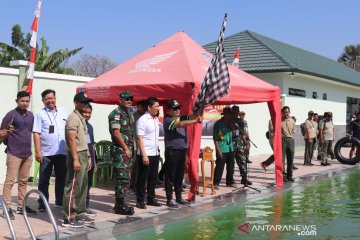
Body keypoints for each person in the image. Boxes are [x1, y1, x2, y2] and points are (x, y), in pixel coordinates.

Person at [1, 91, 36, 220]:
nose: (25, 103)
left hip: (27, 153)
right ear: (17, 101)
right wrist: (8, 142)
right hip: (14, 152)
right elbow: (2, 132)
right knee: (10, 181)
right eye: (22, 101)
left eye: (27, 101)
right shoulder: (11, 115)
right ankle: (7, 208)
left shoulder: (31, 116)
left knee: (23, 181)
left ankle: (21, 207)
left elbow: (34, 132)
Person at [33, 89, 68, 211]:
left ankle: (59, 202)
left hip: (62, 152)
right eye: (47, 99)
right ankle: (43, 204)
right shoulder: (40, 114)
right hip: (46, 152)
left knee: (61, 178)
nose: (50, 101)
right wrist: (38, 151)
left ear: (55, 98)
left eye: (51, 98)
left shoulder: (63, 112)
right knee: (43, 180)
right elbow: (36, 133)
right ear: (43, 101)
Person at [62, 92, 93, 228]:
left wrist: (88, 156)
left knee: (82, 186)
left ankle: (80, 213)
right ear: (76, 103)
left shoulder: (81, 119)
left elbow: (83, 140)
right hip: (76, 154)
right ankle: (68, 218)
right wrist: (75, 159)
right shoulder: (73, 118)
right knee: (73, 186)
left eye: (86, 102)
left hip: (83, 154)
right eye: (83, 102)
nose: (85, 104)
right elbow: (71, 139)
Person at [163, 99, 202, 208]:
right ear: (169, 110)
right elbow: (180, 124)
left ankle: (179, 197)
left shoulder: (180, 117)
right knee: (170, 176)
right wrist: (195, 121)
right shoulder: (168, 120)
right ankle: (169, 199)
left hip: (181, 151)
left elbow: (193, 115)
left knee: (179, 175)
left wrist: (202, 106)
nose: (178, 110)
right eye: (175, 108)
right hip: (172, 151)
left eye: (179, 108)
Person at [108, 91, 135, 215]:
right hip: (120, 151)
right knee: (121, 178)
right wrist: (126, 148)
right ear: (120, 100)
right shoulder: (116, 114)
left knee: (126, 178)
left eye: (131, 99)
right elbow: (116, 133)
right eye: (127, 99)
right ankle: (119, 205)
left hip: (127, 150)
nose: (129, 101)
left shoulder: (128, 114)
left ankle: (121, 203)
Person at [136, 97, 162, 209]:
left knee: (153, 178)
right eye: (156, 106)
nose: (158, 108)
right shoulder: (142, 120)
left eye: (158, 106)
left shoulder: (155, 119)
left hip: (155, 153)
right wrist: (144, 155)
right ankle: (140, 200)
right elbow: (139, 139)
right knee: (143, 178)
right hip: (145, 154)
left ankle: (151, 198)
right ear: (149, 107)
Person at [213, 107, 235, 189]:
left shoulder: (230, 123)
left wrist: (232, 126)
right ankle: (216, 183)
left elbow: (233, 135)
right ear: (225, 114)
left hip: (230, 148)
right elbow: (215, 139)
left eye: (231, 115)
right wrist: (218, 150)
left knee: (230, 166)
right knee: (219, 166)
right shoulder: (218, 124)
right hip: (222, 148)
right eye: (229, 114)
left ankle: (229, 182)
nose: (230, 116)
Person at [82, 103, 97, 216]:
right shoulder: (79, 126)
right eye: (85, 112)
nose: (87, 114)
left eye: (89, 113)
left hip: (91, 159)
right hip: (83, 159)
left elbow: (91, 144)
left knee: (89, 184)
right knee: (83, 184)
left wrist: (94, 160)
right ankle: (81, 207)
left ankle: (86, 205)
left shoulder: (90, 126)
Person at [129, 100, 148, 194]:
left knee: (144, 166)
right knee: (135, 167)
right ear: (138, 107)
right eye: (142, 107)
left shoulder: (148, 117)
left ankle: (142, 185)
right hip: (136, 145)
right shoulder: (132, 116)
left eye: (145, 107)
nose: (144, 109)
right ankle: (133, 186)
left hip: (146, 145)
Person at [231, 106, 252, 185]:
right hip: (231, 143)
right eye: (234, 111)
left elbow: (243, 133)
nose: (236, 113)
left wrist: (245, 143)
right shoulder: (229, 120)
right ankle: (230, 179)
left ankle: (244, 178)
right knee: (231, 163)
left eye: (237, 111)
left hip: (239, 142)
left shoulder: (241, 121)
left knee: (242, 161)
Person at [281, 106, 296, 182]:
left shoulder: (292, 121)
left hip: (290, 140)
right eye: (284, 112)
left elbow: (293, 130)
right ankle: (283, 176)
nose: (285, 113)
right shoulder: (279, 120)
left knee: (290, 158)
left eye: (287, 112)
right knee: (282, 159)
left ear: (289, 112)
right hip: (282, 140)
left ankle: (289, 175)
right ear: (282, 113)